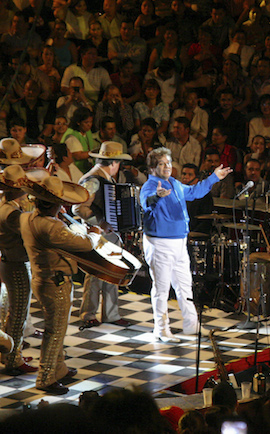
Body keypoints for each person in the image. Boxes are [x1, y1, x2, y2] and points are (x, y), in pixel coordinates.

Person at [139, 148, 232, 343]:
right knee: (162, 288)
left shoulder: (174, 182)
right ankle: (161, 329)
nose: (167, 167)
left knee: (184, 286)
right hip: (160, 243)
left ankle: (191, 325)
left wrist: (214, 177)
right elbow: (146, 203)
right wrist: (157, 196)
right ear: (153, 167)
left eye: (169, 162)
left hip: (180, 242)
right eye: (162, 163)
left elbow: (194, 192)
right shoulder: (149, 186)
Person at [20, 175, 101, 395]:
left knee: (57, 327)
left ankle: (59, 368)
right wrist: (94, 235)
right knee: (54, 331)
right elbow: (83, 244)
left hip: (42, 279)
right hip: (54, 282)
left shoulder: (27, 218)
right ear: (56, 204)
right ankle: (45, 378)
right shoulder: (52, 227)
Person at [74, 142, 133, 329]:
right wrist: (99, 223)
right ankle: (88, 313)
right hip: (96, 234)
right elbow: (78, 207)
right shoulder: (93, 179)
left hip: (107, 234)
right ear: (114, 163)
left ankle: (110, 314)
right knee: (95, 273)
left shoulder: (102, 178)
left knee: (111, 272)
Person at [0, 164, 44, 376]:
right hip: (15, 265)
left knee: (14, 313)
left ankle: (10, 352)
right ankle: (12, 359)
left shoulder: (7, 206)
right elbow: (30, 230)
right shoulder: (10, 213)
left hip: (11, 262)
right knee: (18, 314)